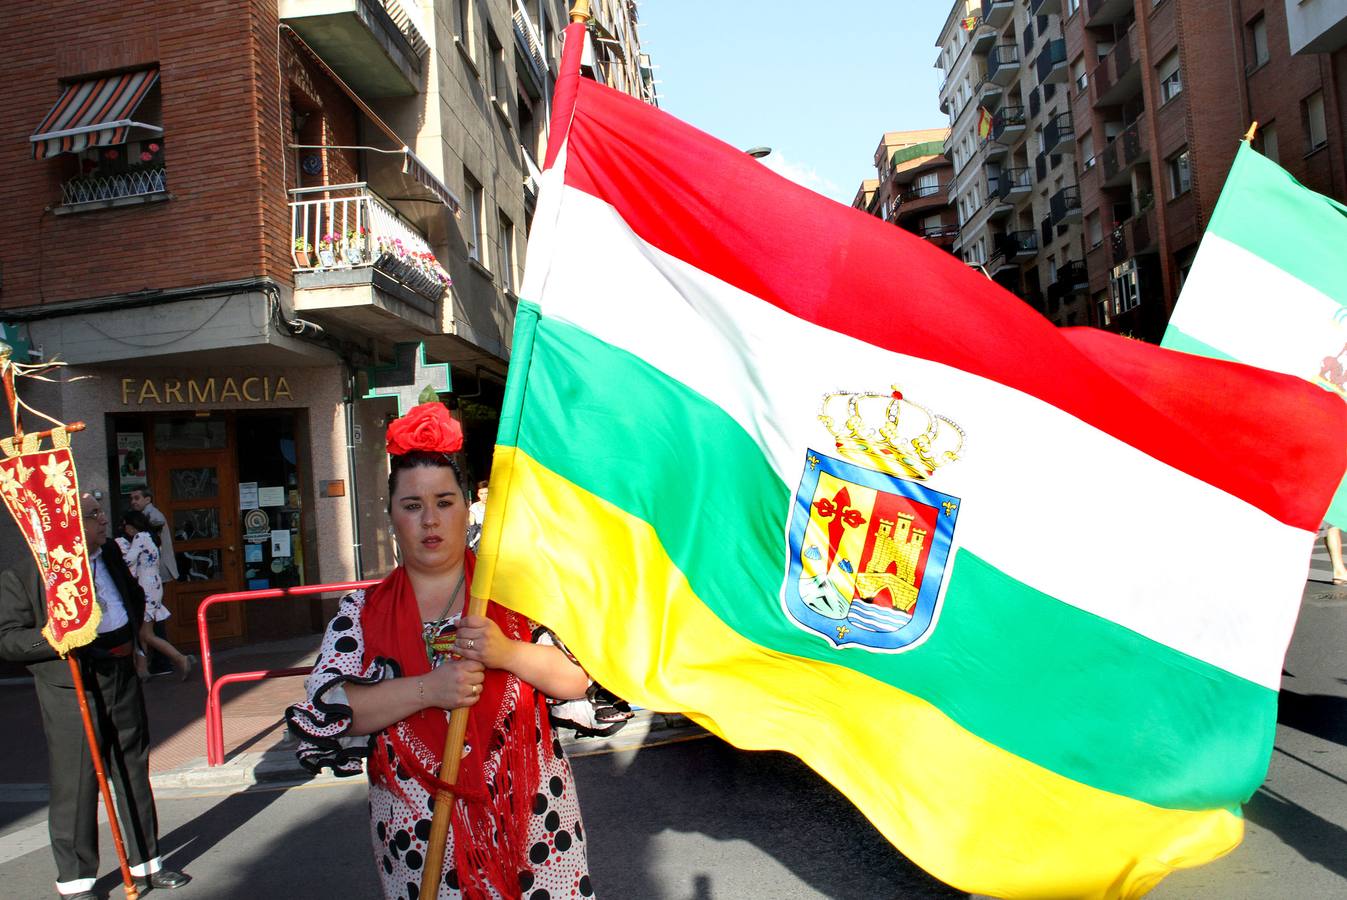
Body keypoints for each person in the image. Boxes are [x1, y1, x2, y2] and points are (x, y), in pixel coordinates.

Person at [286, 402, 596, 899]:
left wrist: (509, 653)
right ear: (390, 515)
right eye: (412, 506)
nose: (430, 519)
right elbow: (337, 709)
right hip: (418, 840)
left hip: (536, 830)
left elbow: (578, 680)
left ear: (465, 508)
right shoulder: (361, 610)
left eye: (444, 502)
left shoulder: (517, 593)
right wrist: (429, 689)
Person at [0, 492, 189, 899]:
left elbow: (134, 600)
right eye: (93, 515)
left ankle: (147, 863)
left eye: (101, 512)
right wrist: (54, 638)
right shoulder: (29, 574)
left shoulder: (111, 557)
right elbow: (9, 640)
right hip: (72, 685)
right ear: (66, 525)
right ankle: (76, 881)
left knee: (132, 768)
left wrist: (136, 646)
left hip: (120, 674)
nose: (105, 520)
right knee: (78, 781)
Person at [117, 510, 196, 681]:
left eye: (127, 526)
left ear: (133, 526)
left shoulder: (140, 537)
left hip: (146, 586)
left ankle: (180, 659)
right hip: (154, 584)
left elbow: (128, 560)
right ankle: (143, 670)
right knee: (144, 632)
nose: (126, 530)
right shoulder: (152, 537)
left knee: (146, 634)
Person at [127, 488, 178, 584]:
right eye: (132, 499)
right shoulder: (145, 514)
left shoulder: (153, 515)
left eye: (137, 498)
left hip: (156, 565)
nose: (133, 502)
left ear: (147, 500)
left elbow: (158, 524)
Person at [466, 479, 488, 552]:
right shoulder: (474, 507)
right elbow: (471, 525)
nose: (484, 496)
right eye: (481, 494)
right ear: (478, 495)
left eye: (486, 493)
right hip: (479, 538)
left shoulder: (496, 505)